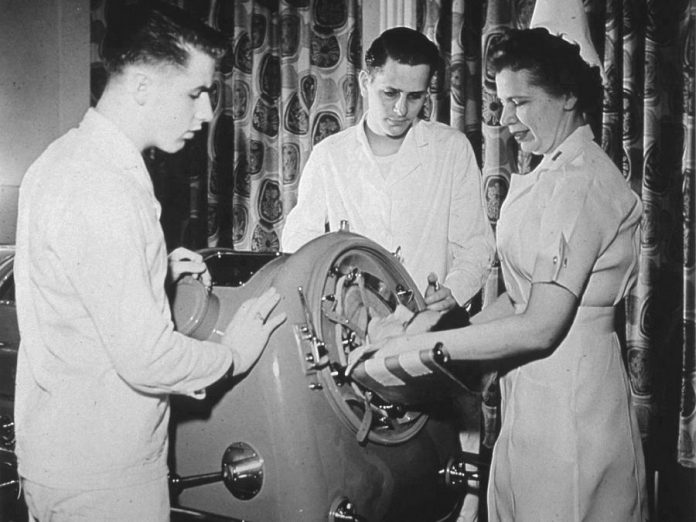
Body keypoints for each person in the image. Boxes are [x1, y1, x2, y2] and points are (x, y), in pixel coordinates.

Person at [13, 3, 286, 521]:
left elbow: (76, 288)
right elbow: (147, 359)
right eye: (195, 92)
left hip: (59, 457)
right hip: (106, 477)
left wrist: (155, 269)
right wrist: (234, 354)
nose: (206, 113)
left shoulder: (61, 159)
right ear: (141, 86)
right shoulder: (107, 191)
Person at [371, 28, 648, 521]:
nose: (506, 120)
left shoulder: (581, 183)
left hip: (574, 404)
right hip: (532, 395)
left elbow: (541, 325)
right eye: (502, 103)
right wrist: (428, 335)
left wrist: (422, 351)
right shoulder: (549, 172)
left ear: (567, 96)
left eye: (520, 102)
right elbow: (518, 297)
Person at [282, 26, 495, 521]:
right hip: (354, 355)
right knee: (368, 490)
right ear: (363, 81)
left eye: (416, 97)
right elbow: (297, 245)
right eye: (390, 93)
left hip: (430, 345)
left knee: (441, 497)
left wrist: (450, 296)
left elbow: (478, 244)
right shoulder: (330, 158)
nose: (402, 110)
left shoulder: (449, 149)